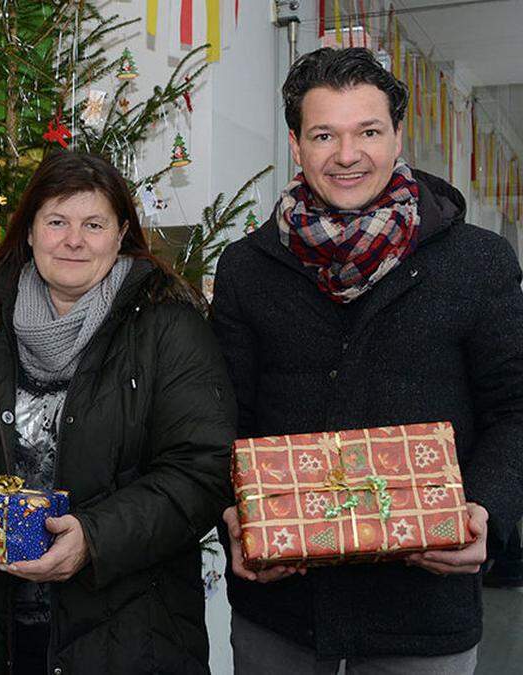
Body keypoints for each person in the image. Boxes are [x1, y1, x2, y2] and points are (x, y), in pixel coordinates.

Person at [213, 47, 523, 674]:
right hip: (283, 607)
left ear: (397, 137)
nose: (347, 154)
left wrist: (487, 510)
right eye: (324, 134)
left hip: (425, 613)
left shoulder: (478, 261)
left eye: (368, 132)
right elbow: (220, 416)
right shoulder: (247, 267)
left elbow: (515, 409)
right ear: (297, 145)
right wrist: (228, 516)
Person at [0, 150, 236, 674]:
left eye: (93, 224)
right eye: (56, 221)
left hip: (130, 635)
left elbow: (202, 469)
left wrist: (93, 539)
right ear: (29, 231)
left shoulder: (169, 325)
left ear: (121, 233)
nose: (73, 240)